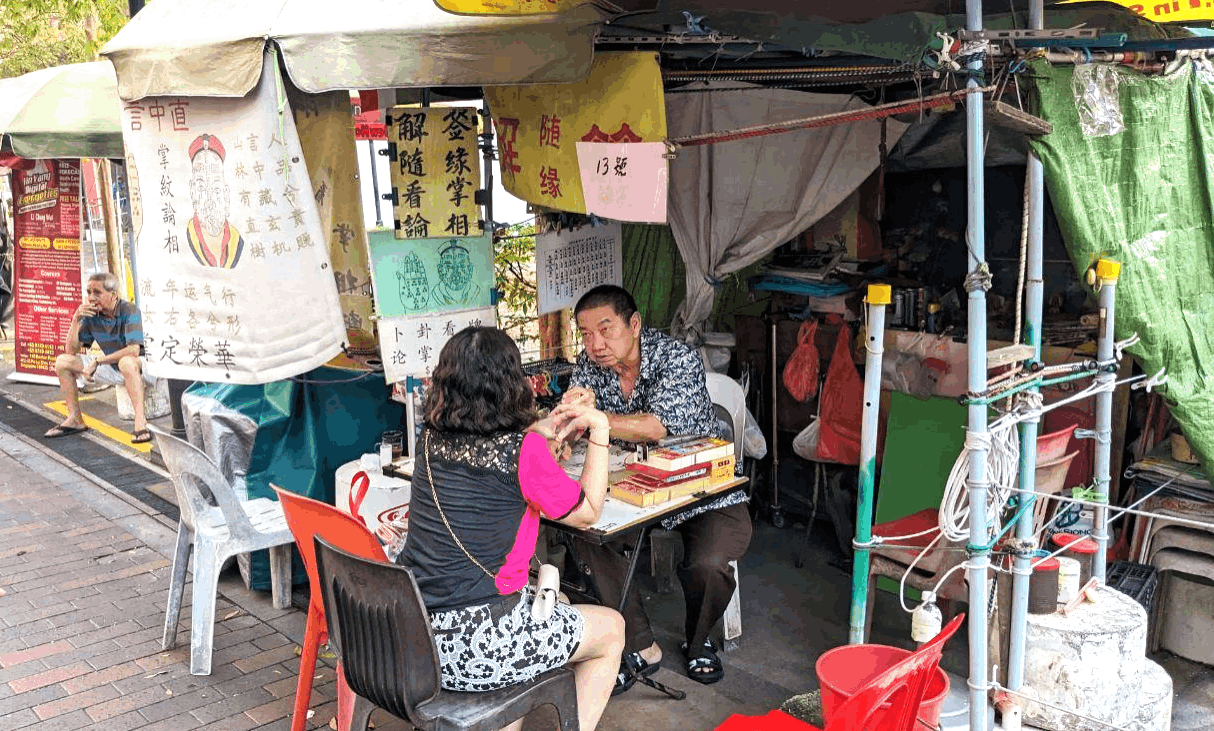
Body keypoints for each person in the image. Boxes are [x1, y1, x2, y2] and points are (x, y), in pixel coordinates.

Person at [395, 326, 623, 731]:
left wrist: (541, 431)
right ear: (511, 383)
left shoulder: (430, 439)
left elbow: (493, 448)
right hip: (479, 646)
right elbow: (588, 511)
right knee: (612, 630)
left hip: (416, 634)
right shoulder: (523, 452)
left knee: (563, 605)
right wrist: (600, 430)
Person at [562, 284, 752, 691]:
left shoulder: (677, 359)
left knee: (710, 564)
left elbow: (655, 427)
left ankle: (699, 641)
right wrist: (565, 432)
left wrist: (591, 417)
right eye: (586, 333)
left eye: (606, 329)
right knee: (584, 534)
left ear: (634, 324)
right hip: (632, 486)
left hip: (701, 486)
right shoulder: (589, 364)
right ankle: (640, 644)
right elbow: (577, 421)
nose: (595, 344)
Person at [44, 272, 156, 444]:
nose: (91, 298)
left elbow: (133, 350)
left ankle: (140, 422)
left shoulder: (130, 310)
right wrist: (76, 321)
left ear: (113, 295)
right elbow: (71, 351)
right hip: (113, 366)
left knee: (126, 362)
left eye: (97, 293)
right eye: (89, 292)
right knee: (63, 362)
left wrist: (97, 361)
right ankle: (75, 419)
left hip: (144, 366)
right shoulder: (92, 316)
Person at [185, 133, 244, 269]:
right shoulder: (186, 239)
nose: (209, 200)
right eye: (201, 188)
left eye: (216, 189)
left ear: (226, 194)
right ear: (192, 192)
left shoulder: (237, 242)